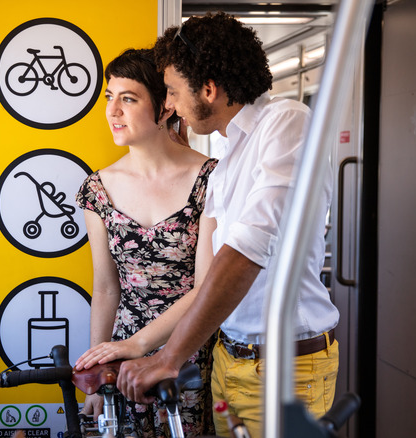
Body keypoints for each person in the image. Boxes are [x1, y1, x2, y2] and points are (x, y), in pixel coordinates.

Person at [110, 13, 340, 438]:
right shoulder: (226, 161)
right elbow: (211, 272)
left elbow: (247, 251)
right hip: (229, 363)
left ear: (209, 90)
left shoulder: (287, 123)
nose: (172, 106)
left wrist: (168, 357)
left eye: (174, 92)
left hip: (283, 366)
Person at [74, 48, 219, 437]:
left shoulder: (209, 179)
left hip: (189, 353)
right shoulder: (97, 188)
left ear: (166, 107)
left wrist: (141, 345)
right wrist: (98, 369)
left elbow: (207, 288)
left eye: (129, 98)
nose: (112, 111)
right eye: (109, 98)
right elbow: (106, 289)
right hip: (123, 362)